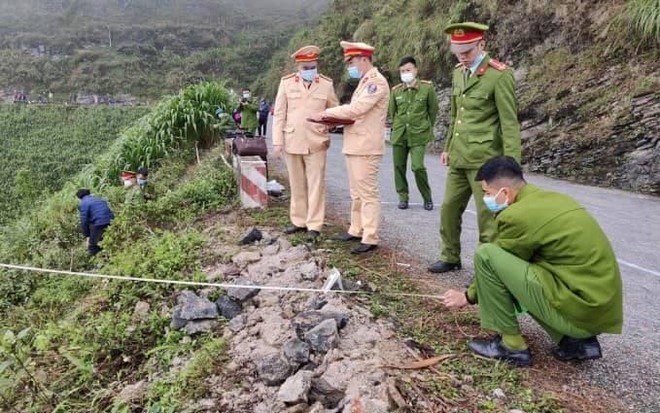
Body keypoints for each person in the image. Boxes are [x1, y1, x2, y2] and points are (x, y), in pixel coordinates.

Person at [441, 156, 623, 366]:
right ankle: (576, 343)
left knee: (487, 255)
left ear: (505, 192)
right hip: (597, 308)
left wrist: (467, 296)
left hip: (582, 310)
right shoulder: (553, 198)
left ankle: (511, 346)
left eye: (488, 193)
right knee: (531, 269)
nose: (486, 199)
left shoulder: (518, 215)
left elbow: (498, 261)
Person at [428, 22, 522, 274]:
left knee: (487, 219)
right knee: (448, 208)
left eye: (467, 51)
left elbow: (509, 124)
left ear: (482, 44)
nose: (462, 56)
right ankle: (450, 256)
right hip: (459, 157)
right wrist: (447, 146)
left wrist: (511, 169)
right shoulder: (459, 73)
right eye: (458, 51)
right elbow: (455, 116)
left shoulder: (498, 75)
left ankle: (487, 267)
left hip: (486, 162)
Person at [309, 41, 390, 254]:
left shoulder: (376, 83)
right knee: (356, 192)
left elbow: (357, 109)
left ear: (364, 59)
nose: (350, 67)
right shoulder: (364, 82)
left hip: (367, 147)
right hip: (355, 145)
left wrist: (326, 114)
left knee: (367, 192)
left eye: (352, 62)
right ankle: (356, 229)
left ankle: (370, 236)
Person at [272, 45, 339, 240]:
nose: (309, 70)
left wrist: (329, 126)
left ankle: (314, 225)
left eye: (312, 66)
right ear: (298, 67)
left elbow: (334, 111)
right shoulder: (286, 83)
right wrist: (277, 142)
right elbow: (279, 115)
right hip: (292, 140)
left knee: (316, 184)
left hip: (316, 142)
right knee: (297, 183)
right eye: (305, 67)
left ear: (316, 65)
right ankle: (299, 221)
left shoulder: (326, 84)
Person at [388, 56, 438, 211]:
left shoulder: (427, 88)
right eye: (402, 71)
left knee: (417, 167)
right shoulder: (396, 91)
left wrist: (426, 127)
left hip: (418, 134)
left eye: (408, 70)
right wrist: (396, 128)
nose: (405, 73)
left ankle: (427, 197)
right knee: (399, 167)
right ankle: (403, 197)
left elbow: (433, 111)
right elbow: (392, 112)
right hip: (400, 134)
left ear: (416, 70)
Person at [76, 189, 114, 256]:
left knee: (93, 246)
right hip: (110, 221)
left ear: (80, 197)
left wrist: (87, 236)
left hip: (99, 223)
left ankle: (98, 262)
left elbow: (84, 221)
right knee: (108, 242)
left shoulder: (84, 203)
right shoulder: (98, 199)